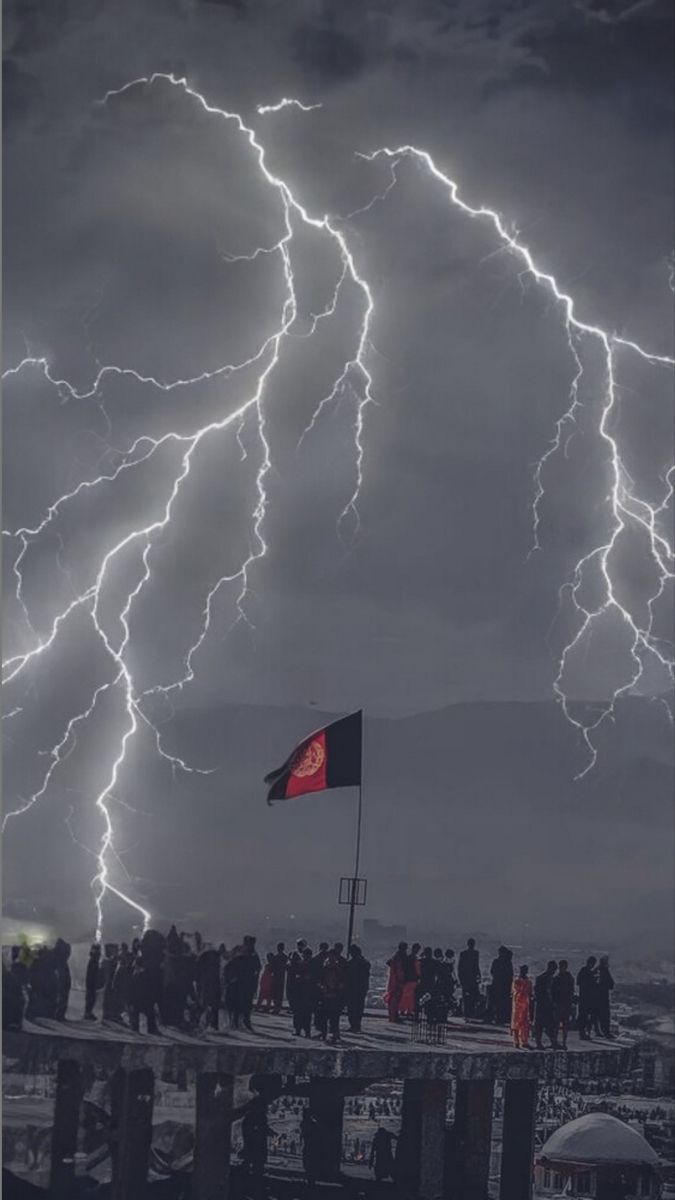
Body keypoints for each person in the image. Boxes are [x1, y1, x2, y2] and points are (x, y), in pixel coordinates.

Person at [318, 946, 347, 1044]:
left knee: (334, 1017)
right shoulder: (324, 969)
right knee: (324, 1016)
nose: (331, 959)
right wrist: (322, 987)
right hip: (325, 996)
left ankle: (335, 1034)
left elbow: (343, 982)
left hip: (335, 997)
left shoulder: (339, 970)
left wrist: (339, 988)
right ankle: (323, 1033)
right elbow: (319, 981)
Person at [534, 960, 559, 1050]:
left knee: (542, 1025)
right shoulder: (548, 979)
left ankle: (541, 1043)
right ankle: (550, 1042)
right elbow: (548, 993)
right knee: (547, 1025)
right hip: (545, 1005)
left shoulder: (540, 978)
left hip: (541, 1004)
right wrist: (552, 1003)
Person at [345, 944, 371, 1033]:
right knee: (357, 1008)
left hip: (355, 989)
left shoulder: (353, 963)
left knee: (353, 1008)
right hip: (359, 989)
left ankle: (355, 1025)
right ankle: (356, 1025)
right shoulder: (364, 962)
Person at [196, 944, 221, 1031]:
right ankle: (211, 1025)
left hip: (208, 986)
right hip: (210, 986)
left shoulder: (204, 960)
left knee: (207, 1006)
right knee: (210, 1006)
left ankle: (199, 1022)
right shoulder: (213, 961)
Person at [291, 948, 315, 1037]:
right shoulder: (299, 964)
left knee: (307, 1014)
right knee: (298, 1013)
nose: (306, 957)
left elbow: (314, 978)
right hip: (299, 992)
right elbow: (294, 976)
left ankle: (307, 1031)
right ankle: (297, 1030)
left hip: (308, 993)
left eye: (308, 955)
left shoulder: (313, 965)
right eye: (305, 955)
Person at [551, 959, 575, 1049]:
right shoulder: (557, 978)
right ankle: (555, 1042)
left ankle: (563, 1042)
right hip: (559, 1004)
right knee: (556, 1025)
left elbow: (571, 991)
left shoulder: (568, 978)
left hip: (565, 1004)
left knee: (564, 1025)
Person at [488, 946, 514, 1025]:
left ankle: (495, 1017)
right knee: (501, 1003)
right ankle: (499, 1018)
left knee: (496, 1002)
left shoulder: (497, 961)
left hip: (498, 984)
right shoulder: (507, 962)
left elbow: (492, 972)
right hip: (504, 985)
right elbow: (510, 975)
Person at [384, 942, 408, 1023]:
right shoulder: (400, 956)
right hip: (397, 981)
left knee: (395, 999)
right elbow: (399, 969)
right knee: (395, 999)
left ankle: (394, 1016)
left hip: (395, 980)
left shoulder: (396, 956)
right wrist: (401, 979)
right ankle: (393, 1017)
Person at [458, 938, 481, 1021]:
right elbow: (476, 966)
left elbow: (460, 968)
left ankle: (467, 1013)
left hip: (467, 979)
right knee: (471, 997)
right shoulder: (475, 953)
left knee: (468, 997)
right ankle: (469, 1013)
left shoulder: (464, 954)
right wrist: (478, 975)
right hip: (470, 979)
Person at [511, 964, 533, 1049]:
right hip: (517, 1005)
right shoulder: (516, 981)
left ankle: (524, 1041)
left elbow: (530, 993)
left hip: (525, 1005)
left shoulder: (528, 982)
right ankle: (516, 1041)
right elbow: (516, 992)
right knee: (516, 1024)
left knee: (525, 1024)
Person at [576, 956, 598, 1041]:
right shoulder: (584, 971)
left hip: (589, 998)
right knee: (583, 1016)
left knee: (588, 1017)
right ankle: (582, 1033)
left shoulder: (588, 972)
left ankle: (585, 1033)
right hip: (585, 998)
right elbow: (580, 982)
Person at [52, 939, 72, 1021]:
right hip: (61, 969)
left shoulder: (61, 961)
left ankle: (59, 1014)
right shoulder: (59, 961)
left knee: (63, 993)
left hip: (61, 968)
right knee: (61, 993)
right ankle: (58, 1014)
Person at [596, 955, 615, 1039]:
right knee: (603, 1015)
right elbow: (610, 983)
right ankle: (604, 1031)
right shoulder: (602, 971)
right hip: (601, 996)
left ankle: (602, 1031)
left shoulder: (599, 970)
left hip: (602, 995)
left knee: (601, 1015)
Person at [84, 943, 102, 1020]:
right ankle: (87, 1013)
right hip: (91, 982)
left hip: (92, 982)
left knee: (91, 998)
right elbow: (91, 973)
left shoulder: (94, 960)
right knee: (90, 998)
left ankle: (88, 1012)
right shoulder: (93, 960)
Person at [270, 942, 287, 1014]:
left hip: (277, 976)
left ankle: (276, 1007)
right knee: (278, 992)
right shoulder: (285, 957)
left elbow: (272, 966)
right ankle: (277, 1007)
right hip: (280, 976)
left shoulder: (277, 957)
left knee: (276, 992)